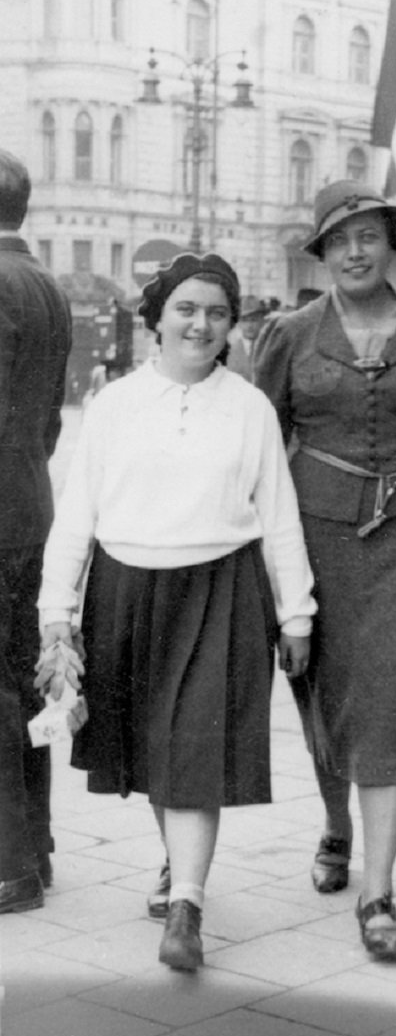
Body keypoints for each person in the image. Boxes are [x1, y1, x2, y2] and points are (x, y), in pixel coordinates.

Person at [36, 252, 316, 971]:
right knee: (158, 755)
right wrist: (55, 610)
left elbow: (278, 515)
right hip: (126, 591)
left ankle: (187, 907)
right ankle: (176, 864)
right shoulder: (114, 405)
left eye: (217, 313)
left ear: (232, 326)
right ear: (156, 317)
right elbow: (78, 514)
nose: (201, 324)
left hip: (221, 590)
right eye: (186, 309)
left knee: (194, 747)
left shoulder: (249, 408)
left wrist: (297, 615)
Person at [255, 179, 396, 963]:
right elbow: (259, 446)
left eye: (368, 236)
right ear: (321, 252)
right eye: (339, 240)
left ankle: (378, 892)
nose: (354, 251)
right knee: (325, 701)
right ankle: (336, 826)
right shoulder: (290, 334)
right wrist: (265, 561)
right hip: (314, 545)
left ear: (390, 246)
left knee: (390, 708)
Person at [0, 150, 72, 914]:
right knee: (25, 678)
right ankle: (37, 847)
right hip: (30, 501)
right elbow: (48, 416)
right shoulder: (47, 283)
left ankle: (8, 864)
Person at [227, 295, 270, 382]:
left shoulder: (270, 348)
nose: (249, 326)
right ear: (238, 323)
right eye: (244, 320)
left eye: (253, 320)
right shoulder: (230, 352)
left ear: (262, 321)